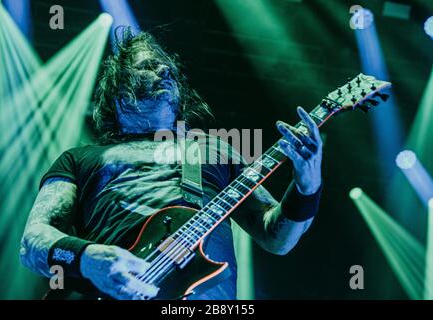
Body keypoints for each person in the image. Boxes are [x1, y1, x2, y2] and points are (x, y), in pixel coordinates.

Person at [20, 28, 323, 300]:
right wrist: (87, 258)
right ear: (118, 89)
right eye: (149, 65)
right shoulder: (79, 159)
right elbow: (33, 242)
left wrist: (307, 186)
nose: (165, 69)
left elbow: (277, 239)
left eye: (169, 67)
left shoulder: (214, 149)